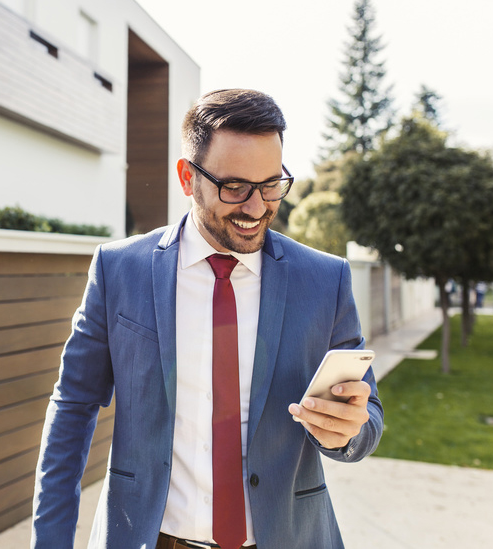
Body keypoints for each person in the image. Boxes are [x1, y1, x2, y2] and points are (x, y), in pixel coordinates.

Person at [32, 89, 383, 549]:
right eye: (234, 187)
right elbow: (73, 406)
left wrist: (347, 432)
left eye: (271, 184)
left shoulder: (325, 280)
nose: (257, 208)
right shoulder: (120, 270)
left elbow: (368, 416)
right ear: (186, 177)